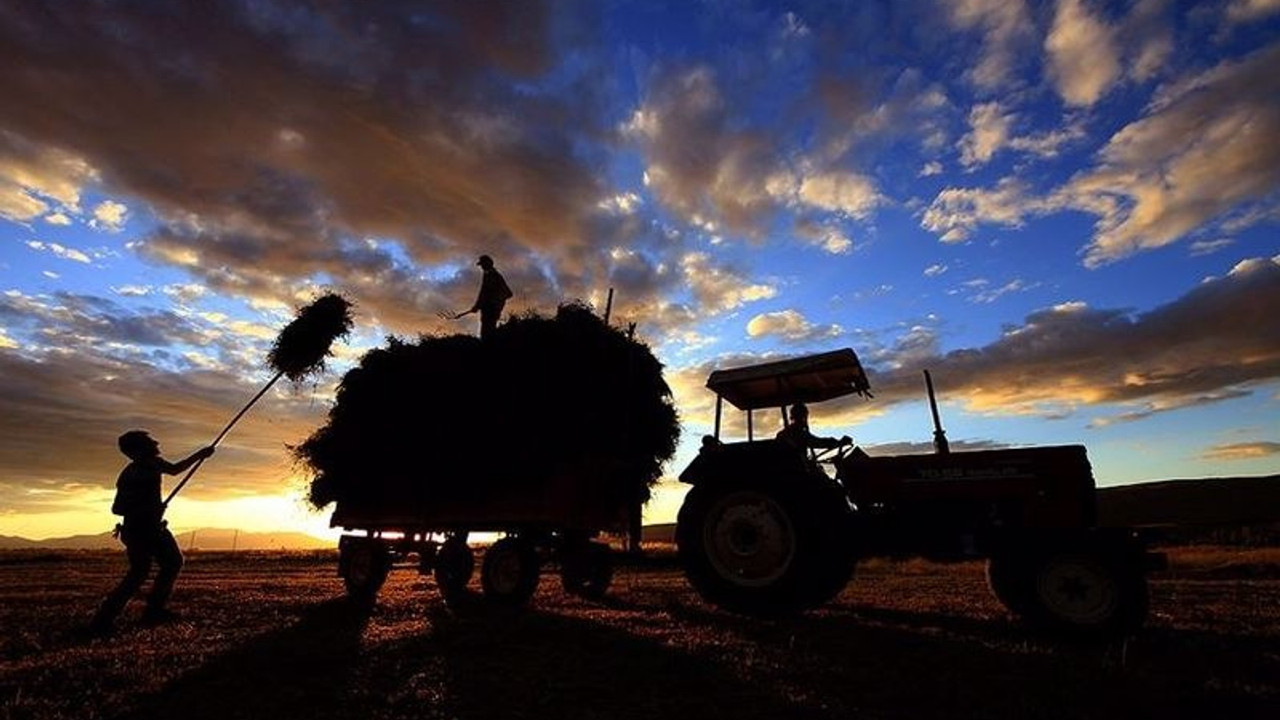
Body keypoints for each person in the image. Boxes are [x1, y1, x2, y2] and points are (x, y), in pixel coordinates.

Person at [89, 430, 214, 635]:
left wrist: (201, 455)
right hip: (141, 528)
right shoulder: (137, 471)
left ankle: (134, 614)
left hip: (146, 527)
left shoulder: (147, 466)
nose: (154, 446)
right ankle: (116, 617)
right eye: (148, 444)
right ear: (138, 450)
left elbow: (175, 469)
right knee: (149, 570)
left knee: (163, 565)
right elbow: (117, 508)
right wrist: (147, 507)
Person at [454, 254, 513, 339]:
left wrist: (495, 301)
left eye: (483, 264)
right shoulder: (487, 275)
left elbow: (508, 293)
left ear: (488, 264)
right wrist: (477, 306)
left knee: (488, 330)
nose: (481, 267)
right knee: (486, 329)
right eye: (481, 265)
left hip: (492, 308)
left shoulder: (494, 275)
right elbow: (483, 293)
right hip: (487, 307)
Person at [775, 403, 851, 459]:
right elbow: (817, 442)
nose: (805, 420)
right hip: (798, 470)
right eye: (804, 416)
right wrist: (838, 442)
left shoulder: (784, 433)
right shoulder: (796, 433)